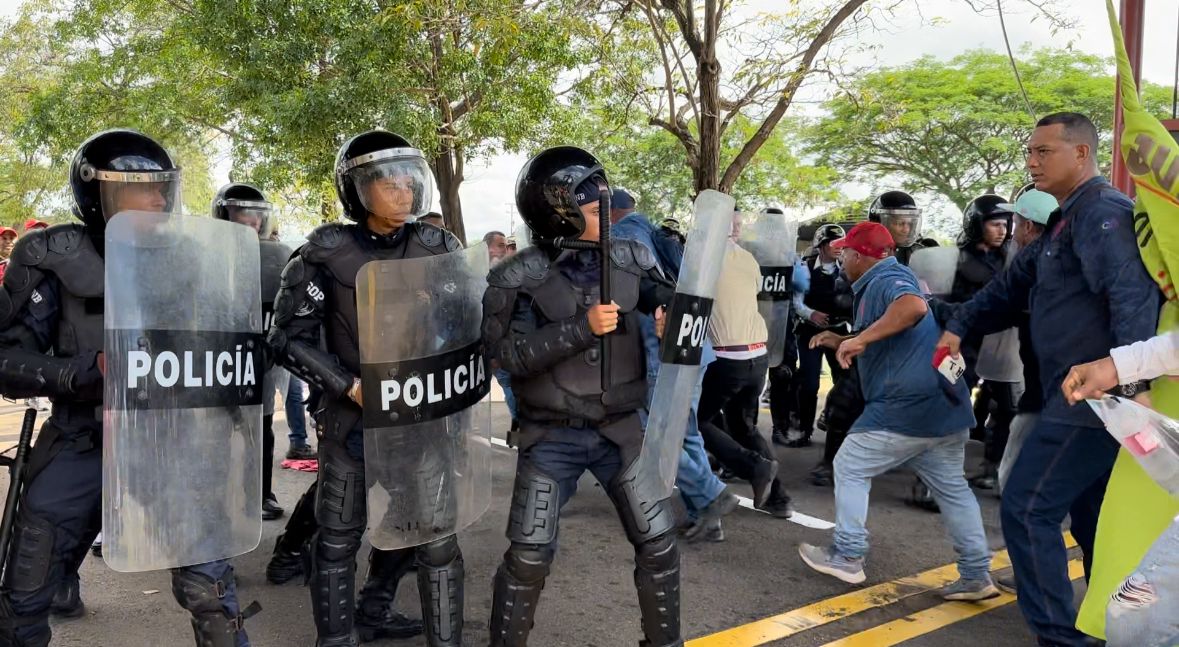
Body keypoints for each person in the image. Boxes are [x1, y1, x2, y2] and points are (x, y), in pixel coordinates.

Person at [0, 129, 257, 646]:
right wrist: (81, 371)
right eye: (143, 188)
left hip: (169, 442)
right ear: (100, 195)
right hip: (80, 438)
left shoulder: (188, 256)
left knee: (209, 587)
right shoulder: (50, 257)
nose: (159, 198)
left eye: (164, 187)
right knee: (24, 594)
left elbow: (224, 342)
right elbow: (6, 357)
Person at [938, 112, 1160, 647]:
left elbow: (1132, 300)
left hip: (1093, 400)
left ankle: (1062, 640)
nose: (1032, 161)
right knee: (1093, 521)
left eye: (1044, 151)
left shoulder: (1105, 215)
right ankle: (1113, 627)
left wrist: (1131, 391)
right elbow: (1008, 290)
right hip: (1076, 396)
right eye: (1029, 152)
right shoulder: (1062, 223)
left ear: (1081, 154)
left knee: (1027, 507)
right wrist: (955, 326)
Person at [268, 130, 463, 646]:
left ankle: (374, 609)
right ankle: (336, 638)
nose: (403, 191)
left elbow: (471, 322)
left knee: (421, 530)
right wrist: (346, 384)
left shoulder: (439, 247)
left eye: (408, 180)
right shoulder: (324, 254)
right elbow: (286, 338)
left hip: (420, 418)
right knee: (337, 537)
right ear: (358, 190)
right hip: (351, 419)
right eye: (388, 182)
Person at [483, 146, 682, 646]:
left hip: (621, 429)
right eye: (595, 212)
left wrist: (669, 316)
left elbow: (669, 298)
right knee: (528, 559)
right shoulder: (515, 275)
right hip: (551, 436)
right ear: (560, 212)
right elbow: (504, 356)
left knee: (659, 546)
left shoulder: (632, 256)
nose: (608, 220)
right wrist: (579, 329)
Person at [798, 222, 996, 601]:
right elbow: (891, 331)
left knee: (850, 465)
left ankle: (847, 554)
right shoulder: (888, 277)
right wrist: (845, 338)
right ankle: (975, 574)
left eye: (846, 254)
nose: (841, 261)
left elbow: (913, 308)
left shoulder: (888, 278)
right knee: (953, 490)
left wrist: (860, 339)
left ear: (860, 257)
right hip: (944, 404)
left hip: (907, 405)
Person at [610, 187, 737, 542]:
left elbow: (635, 296)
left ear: (609, 212)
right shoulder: (659, 233)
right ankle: (706, 517)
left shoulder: (622, 237)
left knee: (650, 435)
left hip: (663, 350)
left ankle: (712, 493)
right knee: (686, 432)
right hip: (694, 344)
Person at [810, 190, 937, 487]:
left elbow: (929, 301)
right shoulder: (861, 256)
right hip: (870, 342)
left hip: (910, 346)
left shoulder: (923, 255)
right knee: (845, 401)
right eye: (898, 222)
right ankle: (831, 463)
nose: (905, 228)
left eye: (909, 222)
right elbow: (842, 296)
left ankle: (928, 478)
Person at [698, 210, 793, 518]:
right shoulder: (748, 260)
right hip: (758, 355)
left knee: (695, 422)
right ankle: (779, 498)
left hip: (729, 357)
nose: (737, 228)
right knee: (744, 427)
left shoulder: (704, 259)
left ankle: (751, 466)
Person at [212, 181, 287, 521]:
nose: (252, 221)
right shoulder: (205, 255)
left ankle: (259, 495)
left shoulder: (276, 259)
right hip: (215, 360)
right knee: (215, 433)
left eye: (257, 215)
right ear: (224, 215)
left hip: (260, 360)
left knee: (261, 429)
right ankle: (214, 500)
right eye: (242, 213)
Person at [948, 195, 1020, 490]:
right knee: (952, 404)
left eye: (1005, 224)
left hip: (1003, 346)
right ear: (978, 225)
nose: (1001, 230)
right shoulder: (957, 259)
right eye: (994, 224)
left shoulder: (1014, 259)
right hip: (965, 344)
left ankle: (993, 466)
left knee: (1008, 408)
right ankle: (938, 474)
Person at [785, 224, 851, 448]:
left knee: (844, 381)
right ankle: (804, 430)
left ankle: (836, 424)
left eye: (842, 244)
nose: (839, 248)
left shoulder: (848, 268)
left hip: (840, 331)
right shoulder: (803, 268)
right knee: (810, 383)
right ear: (821, 246)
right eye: (834, 243)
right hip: (810, 332)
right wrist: (811, 314)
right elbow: (796, 301)